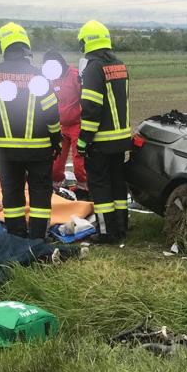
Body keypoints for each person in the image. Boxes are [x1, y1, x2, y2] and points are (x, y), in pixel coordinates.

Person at [0, 22, 61, 239]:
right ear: (26, 46)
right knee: (40, 193)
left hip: (7, 150)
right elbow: (52, 114)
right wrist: (56, 140)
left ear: (3, 46)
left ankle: (16, 237)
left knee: (12, 195)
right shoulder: (39, 76)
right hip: (39, 150)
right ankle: (38, 238)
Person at [76, 21, 131, 242]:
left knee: (100, 187)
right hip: (120, 139)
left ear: (87, 42)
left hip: (99, 140)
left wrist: (83, 141)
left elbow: (91, 108)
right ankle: (121, 226)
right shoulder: (120, 65)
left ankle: (107, 233)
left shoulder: (93, 69)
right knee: (118, 184)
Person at [43, 50, 87, 194]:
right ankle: (55, 188)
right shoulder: (51, 78)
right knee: (55, 163)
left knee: (79, 164)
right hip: (60, 126)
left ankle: (84, 190)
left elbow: (86, 98)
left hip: (77, 125)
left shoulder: (75, 76)